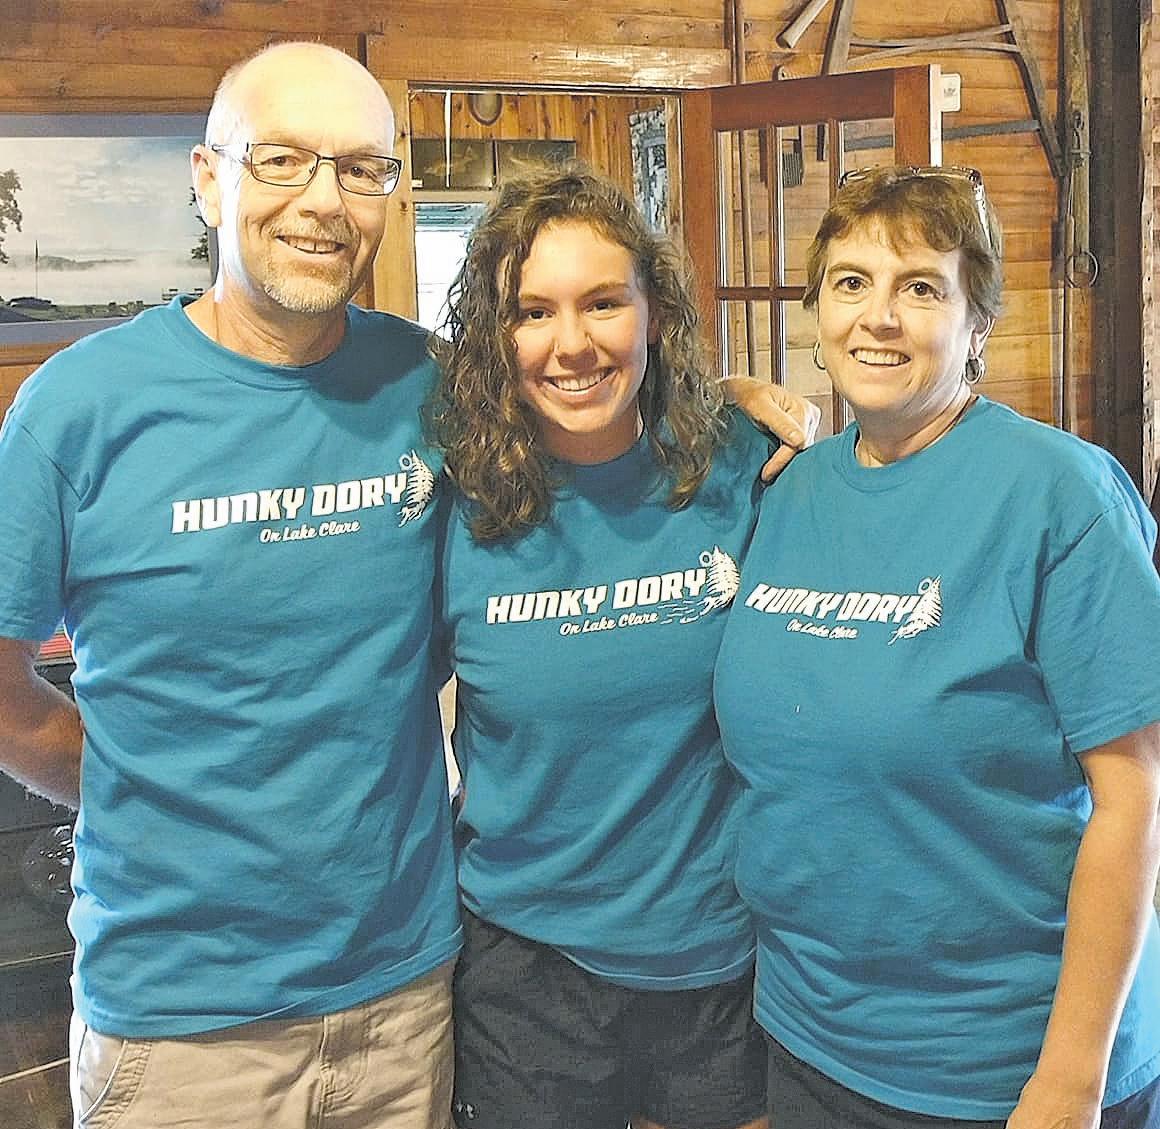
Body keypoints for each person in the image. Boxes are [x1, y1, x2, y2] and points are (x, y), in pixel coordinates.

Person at [0, 42, 462, 1129]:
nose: (324, 200)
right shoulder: (77, 409)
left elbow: (589, 429)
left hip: (404, 996)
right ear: (208, 179)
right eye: (282, 159)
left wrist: (722, 407)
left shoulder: (430, 384)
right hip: (179, 1026)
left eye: (361, 169)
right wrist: (135, 782)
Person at [714, 165, 1160, 1129]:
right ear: (819, 310)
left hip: (1002, 1061)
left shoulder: (1060, 496)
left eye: (920, 287)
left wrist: (1069, 1079)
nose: (878, 317)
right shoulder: (787, 490)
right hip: (809, 1035)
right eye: (851, 282)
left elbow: (1134, 800)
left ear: (977, 322)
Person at [429, 166, 784, 1129]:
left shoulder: (745, 468)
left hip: (718, 959)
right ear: (496, 335)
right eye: (532, 312)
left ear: (655, 313)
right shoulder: (453, 504)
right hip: (526, 969)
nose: (572, 343)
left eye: (602, 303)